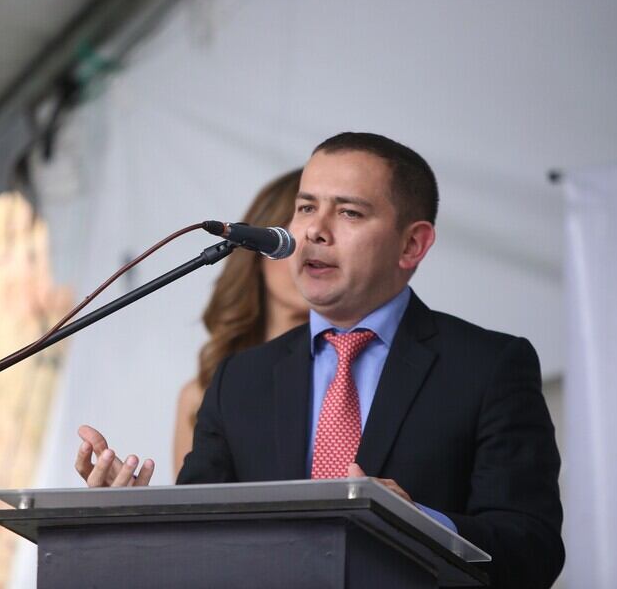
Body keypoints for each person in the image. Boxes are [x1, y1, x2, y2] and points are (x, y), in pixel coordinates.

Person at [76, 132, 564, 589]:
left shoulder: (489, 366)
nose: (314, 231)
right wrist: (128, 518)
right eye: (305, 207)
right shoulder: (239, 381)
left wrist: (419, 525)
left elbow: (533, 551)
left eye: (349, 213)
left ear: (412, 244)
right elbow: (198, 549)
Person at [172, 169, 309, 476]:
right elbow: (191, 517)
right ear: (260, 247)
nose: (310, 256)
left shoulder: (345, 380)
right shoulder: (198, 394)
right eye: (292, 240)